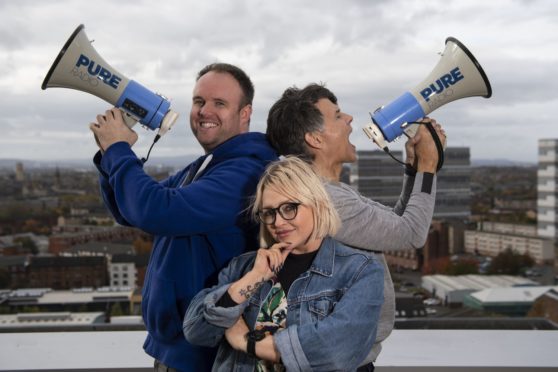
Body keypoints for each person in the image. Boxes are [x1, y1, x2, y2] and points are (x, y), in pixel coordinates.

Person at [89, 63, 277, 372]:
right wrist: (109, 155)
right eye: (199, 101)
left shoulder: (244, 173)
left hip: (203, 355)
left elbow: (157, 210)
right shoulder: (206, 166)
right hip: (177, 348)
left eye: (220, 103)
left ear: (245, 113)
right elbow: (130, 211)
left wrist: (119, 149)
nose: (205, 111)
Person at [265, 83, 446, 370]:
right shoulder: (325, 199)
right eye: (337, 116)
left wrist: (413, 169)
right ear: (315, 139)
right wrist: (429, 165)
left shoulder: (326, 191)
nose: (349, 119)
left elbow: (393, 227)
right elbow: (411, 234)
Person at [183, 156, 384, 371]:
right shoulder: (242, 267)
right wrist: (254, 277)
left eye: (289, 208)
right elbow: (196, 332)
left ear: (317, 204)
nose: (278, 222)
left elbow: (336, 353)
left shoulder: (360, 271)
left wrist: (245, 342)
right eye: (269, 212)